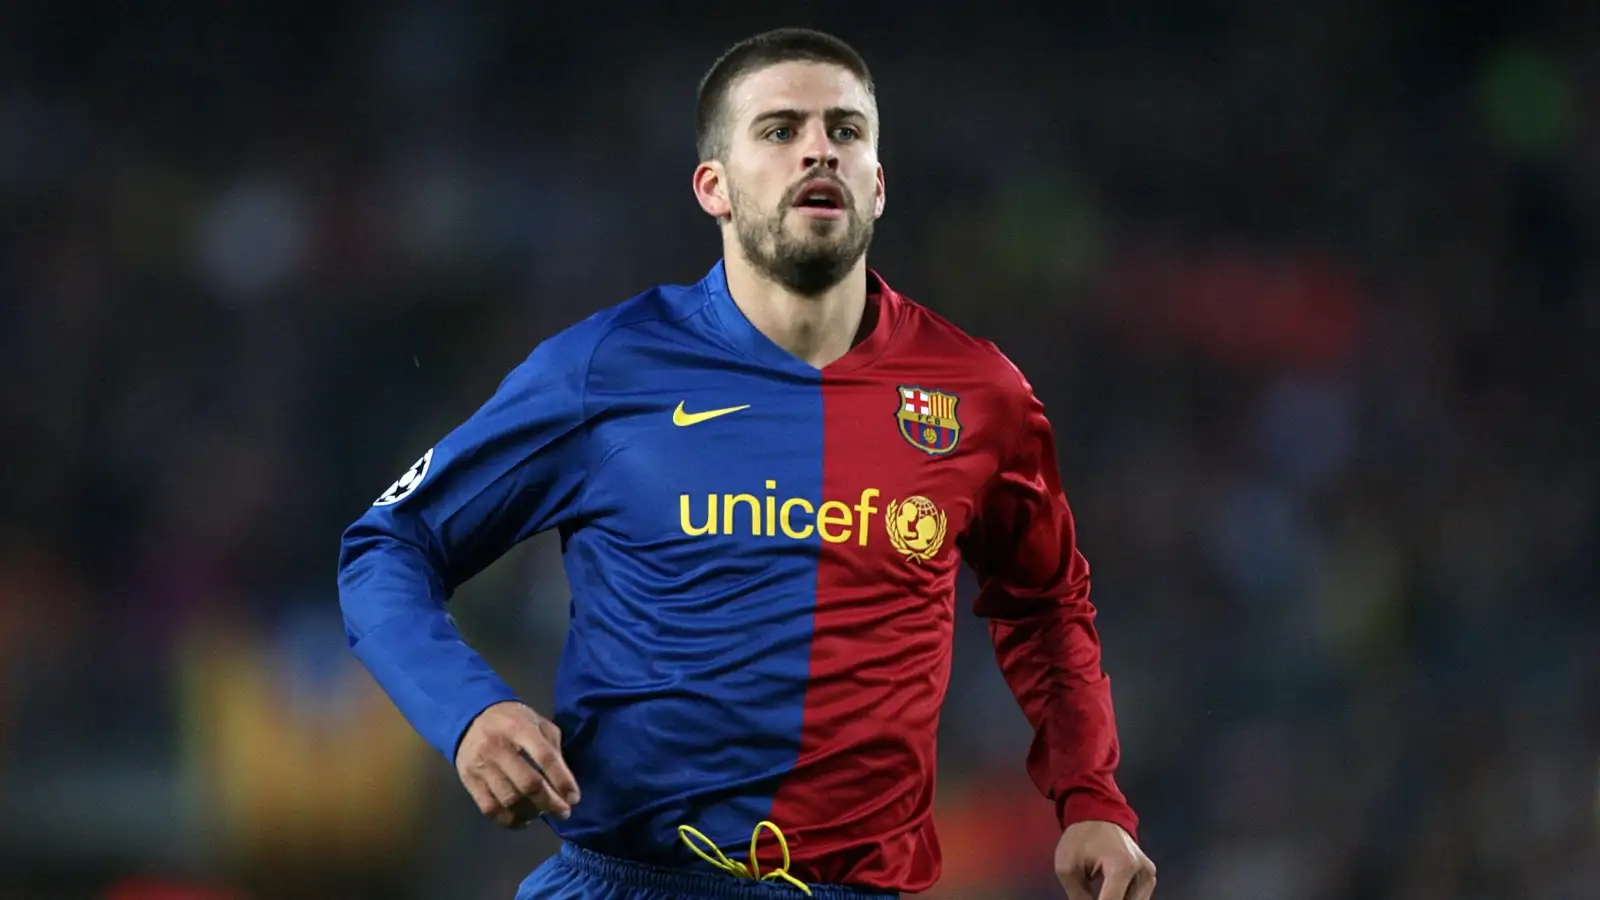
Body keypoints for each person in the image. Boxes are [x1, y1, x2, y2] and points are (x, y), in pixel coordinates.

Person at [337, 26, 1156, 900]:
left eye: (846, 131)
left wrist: (1090, 797)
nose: (819, 149)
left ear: (878, 184)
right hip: (630, 881)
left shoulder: (979, 394)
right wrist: (469, 714)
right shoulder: (604, 369)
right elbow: (388, 544)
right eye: (779, 130)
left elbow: (1045, 605)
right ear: (713, 187)